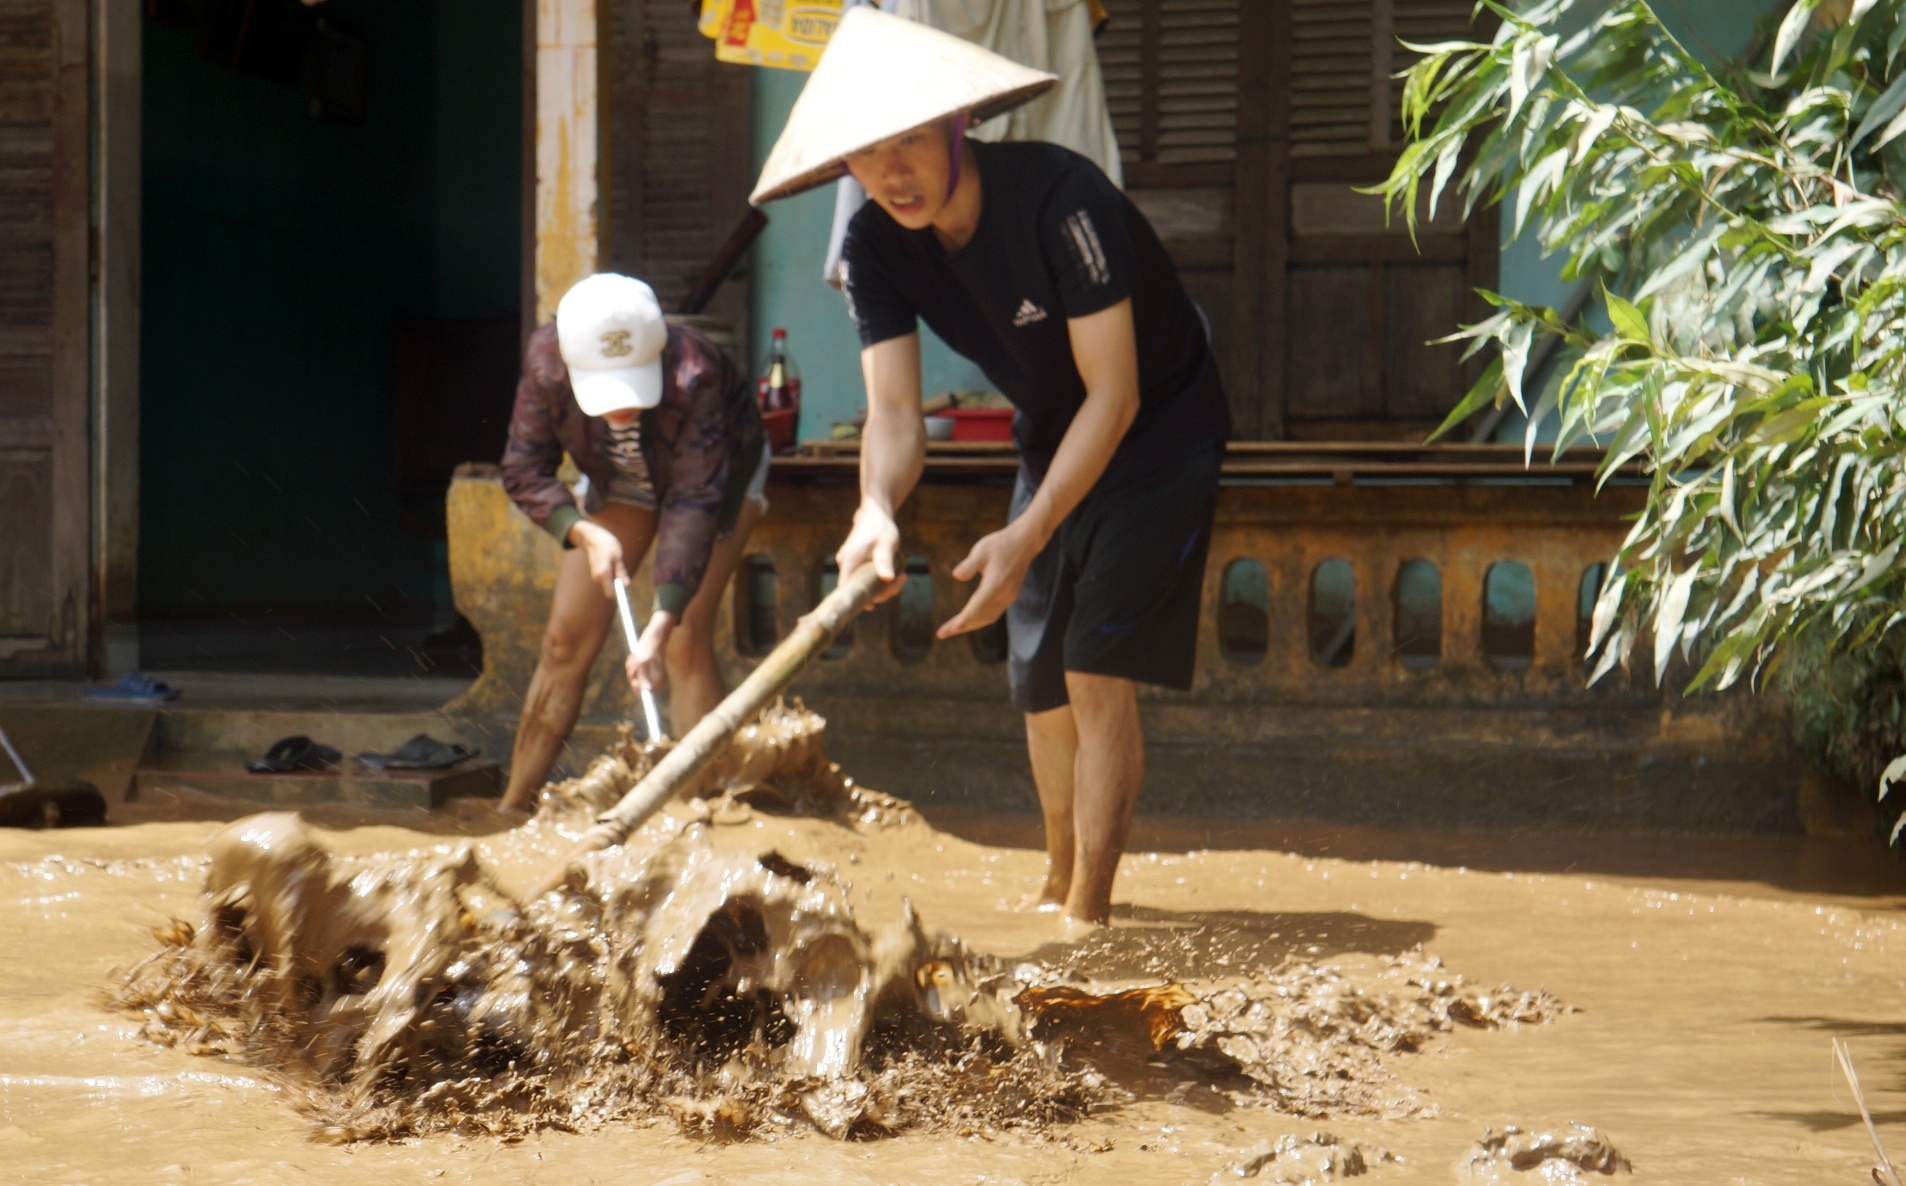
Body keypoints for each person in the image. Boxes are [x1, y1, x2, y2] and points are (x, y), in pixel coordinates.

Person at [750, 9, 1230, 924]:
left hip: (1161, 427)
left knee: (1093, 670)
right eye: (867, 151)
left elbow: (1118, 395)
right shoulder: (874, 246)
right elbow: (894, 411)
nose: (892, 172)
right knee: (1037, 680)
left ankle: (1090, 916)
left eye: (913, 141)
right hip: (1055, 429)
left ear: (958, 126)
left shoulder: (1063, 200)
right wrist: (877, 508)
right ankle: (1055, 882)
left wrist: (1029, 529)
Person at [496, 273, 768, 813]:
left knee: (684, 639)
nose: (622, 407)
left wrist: (661, 619)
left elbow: (694, 500)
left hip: (716, 477)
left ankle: (700, 819)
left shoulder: (697, 374)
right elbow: (524, 468)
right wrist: (582, 530)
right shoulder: (547, 364)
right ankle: (512, 809)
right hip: (616, 480)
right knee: (563, 642)